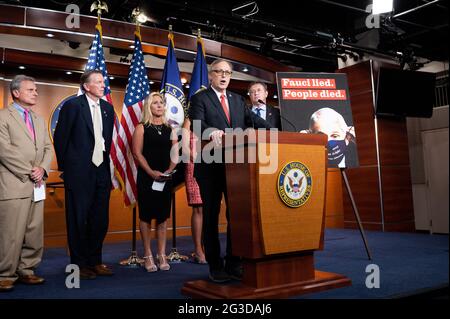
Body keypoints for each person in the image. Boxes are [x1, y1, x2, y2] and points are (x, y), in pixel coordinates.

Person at [189, 59, 271, 283]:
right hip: (210, 166)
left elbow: (252, 121)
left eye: (227, 72)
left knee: (236, 216)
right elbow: (197, 124)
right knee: (211, 217)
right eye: (219, 72)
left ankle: (234, 262)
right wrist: (212, 131)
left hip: (237, 168)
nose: (224, 76)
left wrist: (277, 128)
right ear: (211, 75)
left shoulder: (237, 100)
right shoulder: (199, 98)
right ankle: (215, 266)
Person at [53, 70, 115, 279]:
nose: (102, 84)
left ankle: (94, 261)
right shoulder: (72, 106)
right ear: (86, 86)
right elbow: (61, 139)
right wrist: (69, 169)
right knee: (78, 220)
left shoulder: (108, 108)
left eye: (103, 81)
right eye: (98, 81)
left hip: (101, 172)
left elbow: (107, 140)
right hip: (78, 173)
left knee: (100, 220)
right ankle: (78, 265)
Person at [0, 75, 53, 292]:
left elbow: (48, 148)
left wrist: (42, 169)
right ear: (16, 93)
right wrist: (29, 171)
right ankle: (5, 274)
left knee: (33, 231)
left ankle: (27, 270)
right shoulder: (3, 116)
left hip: (37, 184)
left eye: (36, 89)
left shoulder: (39, 119)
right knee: (11, 233)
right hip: (14, 183)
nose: (35, 93)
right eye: (31, 90)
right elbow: (4, 150)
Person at [132, 92, 178, 272]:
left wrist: (168, 171)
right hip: (147, 177)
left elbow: (175, 153)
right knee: (146, 216)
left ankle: (162, 254)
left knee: (162, 217)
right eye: (155, 103)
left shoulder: (170, 129)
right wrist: (151, 172)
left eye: (161, 103)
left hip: (165, 178)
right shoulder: (142, 127)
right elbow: (137, 153)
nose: (159, 106)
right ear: (148, 107)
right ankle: (148, 255)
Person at [182, 118, 206, 265]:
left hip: (212, 166)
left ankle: (208, 246)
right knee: (199, 208)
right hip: (194, 167)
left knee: (210, 209)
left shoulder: (210, 118)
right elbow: (185, 149)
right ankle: (198, 249)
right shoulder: (188, 122)